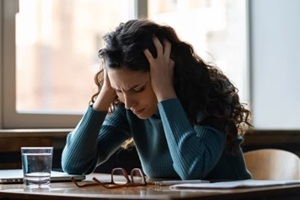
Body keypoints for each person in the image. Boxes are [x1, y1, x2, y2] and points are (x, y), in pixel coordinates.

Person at [61, 19, 252, 180]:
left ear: (166, 73)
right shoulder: (130, 108)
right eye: (119, 90)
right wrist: (106, 93)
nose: (128, 103)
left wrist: (165, 92)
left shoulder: (211, 94)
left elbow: (191, 169)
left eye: (138, 88)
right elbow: (73, 165)